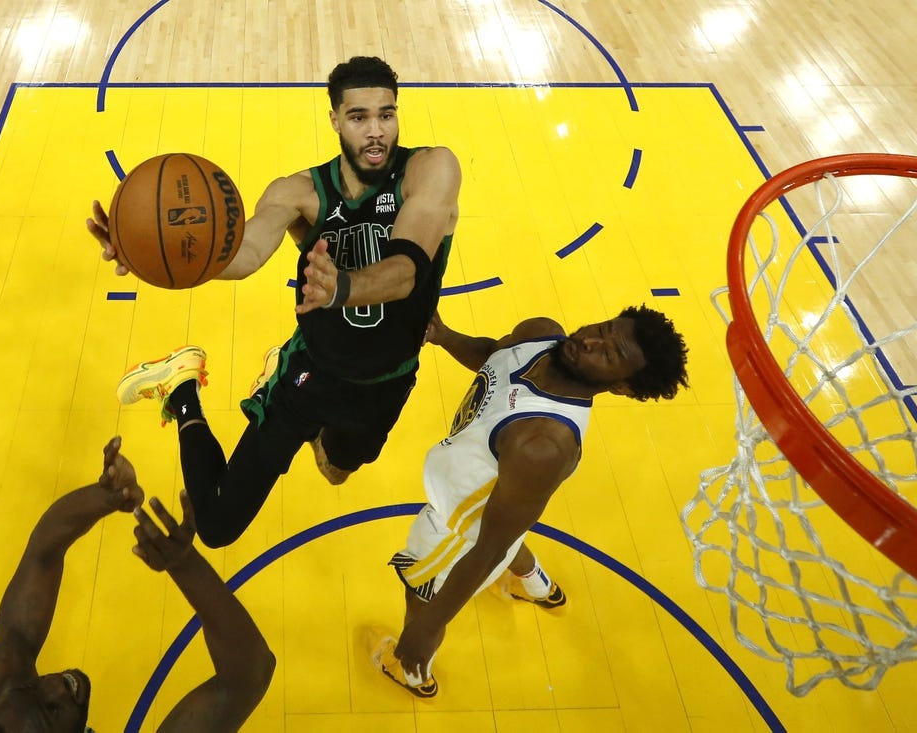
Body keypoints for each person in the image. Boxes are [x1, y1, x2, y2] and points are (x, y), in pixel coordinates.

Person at [87, 55, 462, 549]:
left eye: (386, 115)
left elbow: (407, 271)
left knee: (334, 470)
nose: (376, 132)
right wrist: (152, 253)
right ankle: (183, 391)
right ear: (334, 120)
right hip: (311, 372)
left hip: (388, 380)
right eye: (359, 117)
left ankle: (314, 431)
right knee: (218, 525)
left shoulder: (430, 169)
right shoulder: (300, 192)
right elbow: (244, 253)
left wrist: (340, 288)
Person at [371, 306, 690, 698]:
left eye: (607, 355)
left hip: (459, 531)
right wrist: (445, 336)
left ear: (622, 386)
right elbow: (493, 356)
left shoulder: (543, 444)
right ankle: (537, 587)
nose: (588, 341)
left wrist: (427, 628)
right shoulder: (542, 334)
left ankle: (412, 673)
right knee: (508, 527)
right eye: (602, 328)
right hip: (491, 502)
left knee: (422, 590)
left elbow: (488, 549)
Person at [0, 437, 275, 732]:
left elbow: (43, 551)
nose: (56, 686)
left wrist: (108, 497)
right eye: (52, 710)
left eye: (32, 690)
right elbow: (248, 675)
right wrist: (185, 566)